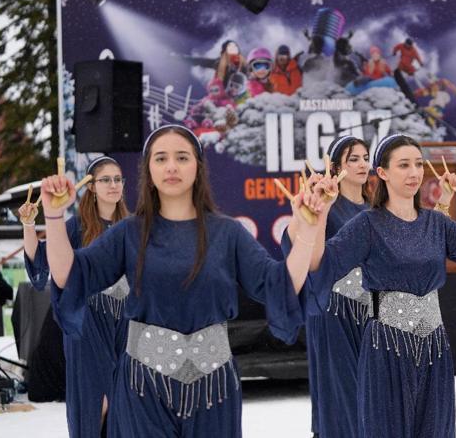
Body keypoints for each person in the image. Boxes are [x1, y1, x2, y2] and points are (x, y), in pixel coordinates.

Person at [38, 124, 328, 437]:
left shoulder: (227, 233)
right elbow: (71, 274)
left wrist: (309, 231)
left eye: (182, 157)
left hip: (213, 387)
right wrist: (53, 218)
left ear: (198, 167)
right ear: (148, 169)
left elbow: (280, 284)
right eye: (161, 159)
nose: (172, 166)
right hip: (142, 386)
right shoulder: (129, 233)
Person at [307, 134, 456, 437]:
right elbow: (319, 265)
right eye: (404, 165)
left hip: (434, 349)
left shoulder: (436, 224)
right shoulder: (367, 225)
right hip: (385, 349)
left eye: (418, 164)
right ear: (383, 173)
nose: (414, 172)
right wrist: (319, 212)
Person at [19, 156, 130, 437]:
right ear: (91, 186)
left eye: (118, 179)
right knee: (96, 405)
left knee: (126, 407)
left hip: (127, 328)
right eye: (106, 179)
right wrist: (30, 225)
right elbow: (41, 267)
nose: (114, 185)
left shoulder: (133, 226)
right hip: (88, 327)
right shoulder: (76, 228)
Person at [284, 136, 373, 438]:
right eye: (353, 159)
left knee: (372, 399)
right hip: (332, 313)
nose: (362, 164)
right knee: (341, 399)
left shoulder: (375, 208)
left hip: (372, 316)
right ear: (336, 168)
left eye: (365, 157)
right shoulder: (326, 205)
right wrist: (313, 209)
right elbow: (294, 244)